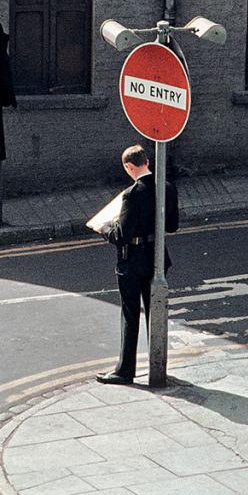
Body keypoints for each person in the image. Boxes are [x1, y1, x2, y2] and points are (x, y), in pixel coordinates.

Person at [96, 144, 179, 385]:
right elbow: (172, 226)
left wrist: (105, 228)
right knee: (155, 312)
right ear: (147, 162)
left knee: (130, 314)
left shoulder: (132, 194)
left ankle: (125, 371)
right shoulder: (167, 187)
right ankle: (158, 364)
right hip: (156, 258)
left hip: (132, 261)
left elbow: (121, 236)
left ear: (129, 166)